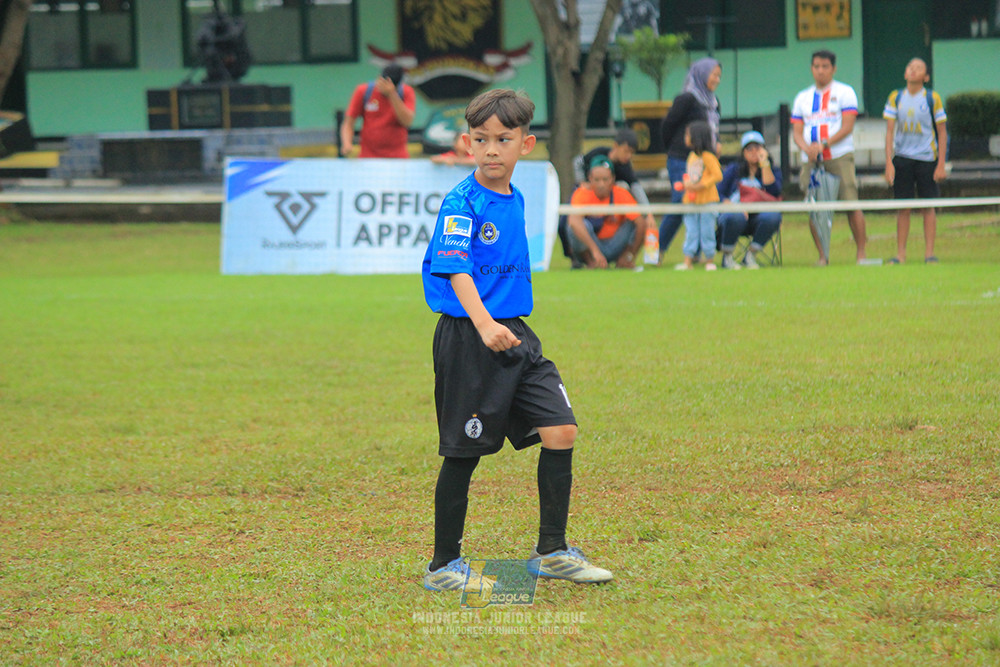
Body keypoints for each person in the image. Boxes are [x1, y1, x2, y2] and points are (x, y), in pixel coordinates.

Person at [421, 89, 613, 592]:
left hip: (516, 333)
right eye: (480, 139)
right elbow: (456, 268)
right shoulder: (461, 201)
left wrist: (501, 327)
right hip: (470, 335)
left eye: (502, 140)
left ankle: (550, 551)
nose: (490, 150)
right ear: (466, 143)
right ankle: (443, 566)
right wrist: (484, 325)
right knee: (462, 453)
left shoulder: (518, 194)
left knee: (561, 430)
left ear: (524, 144)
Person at [791, 50, 867, 265]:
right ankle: (823, 255)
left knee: (850, 202)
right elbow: (797, 131)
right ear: (811, 68)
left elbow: (847, 126)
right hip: (811, 160)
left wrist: (824, 144)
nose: (820, 71)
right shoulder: (802, 97)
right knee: (815, 207)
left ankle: (861, 252)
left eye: (825, 66)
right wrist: (807, 148)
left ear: (833, 68)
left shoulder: (845, 92)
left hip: (839, 155)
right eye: (816, 66)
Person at [883, 57, 948, 264]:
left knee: (928, 206)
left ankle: (929, 253)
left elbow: (942, 132)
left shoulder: (932, 98)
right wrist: (888, 162)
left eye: (918, 68)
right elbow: (890, 131)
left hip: (927, 159)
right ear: (905, 73)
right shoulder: (896, 97)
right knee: (904, 206)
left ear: (926, 76)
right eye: (910, 67)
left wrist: (940, 164)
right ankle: (901, 254)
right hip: (902, 158)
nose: (913, 70)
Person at [558, 128, 654, 264]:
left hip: (611, 228)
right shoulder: (598, 152)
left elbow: (636, 187)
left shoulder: (625, 169)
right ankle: (575, 256)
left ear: (612, 178)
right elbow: (578, 162)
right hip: (583, 190)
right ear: (616, 146)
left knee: (637, 220)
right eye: (626, 151)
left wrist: (648, 212)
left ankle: (622, 259)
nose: (628, 156)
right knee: (565, 222)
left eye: (631, 153)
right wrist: (582, 182)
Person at [658, 58, 722, 262]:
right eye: (714, 74)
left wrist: (716, 144)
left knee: (700, 204)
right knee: (681, 202)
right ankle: (657, 250)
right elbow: (667, 126)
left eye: (719, 75)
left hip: (703, 161)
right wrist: (675, 147)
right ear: (702, 74)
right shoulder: (686, 98)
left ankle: (695, 254)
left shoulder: (712, 101)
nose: (717, 79)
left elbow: (713, 130)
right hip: (680, 159)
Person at [716, 130, 783, 270]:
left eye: (757, 148)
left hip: (759, 218)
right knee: (735, 216)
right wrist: (732, 206)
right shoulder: (733, 170)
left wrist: (764, 164)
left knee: (773, 216)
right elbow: (719, 193)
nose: (753, 152)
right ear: (743, 152)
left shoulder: (773, 170)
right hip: (735, 217)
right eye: (749, 149)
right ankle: (727, 257)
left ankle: (750, 256)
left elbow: (774, 192)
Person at [566, 155, 647, 269]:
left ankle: (624, 261)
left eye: (605, 179)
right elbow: (573, 221)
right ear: (590, 178)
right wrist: (595, 252)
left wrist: (630, 255)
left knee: (636, 223)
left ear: (613, 179)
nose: (601, 185)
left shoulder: (621, 194)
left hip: (615, 245)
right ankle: (591, 262)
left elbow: (641, 223)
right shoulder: (582, 193)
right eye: (597, 180)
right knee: (575, 226)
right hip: (593, 246)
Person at [339, 63, 416, 158]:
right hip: (368, 157)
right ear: (379, 78)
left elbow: (407, 122)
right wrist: (347, 143)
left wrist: (392, 94)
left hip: (398, 158)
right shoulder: (364, 91)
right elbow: (348, 123)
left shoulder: (406, 93)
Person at [676, 120, 722, 271]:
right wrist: (686, 184)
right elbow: (691, 175)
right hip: (691, 200)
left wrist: (701, 185)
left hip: (707, 200)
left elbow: (717, 175)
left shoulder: (708, 156)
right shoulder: (691, 156)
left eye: (688, 134)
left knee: (707, 230)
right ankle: (688, 260)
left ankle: (709, 259)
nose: (686, 137)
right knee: (691, 230)